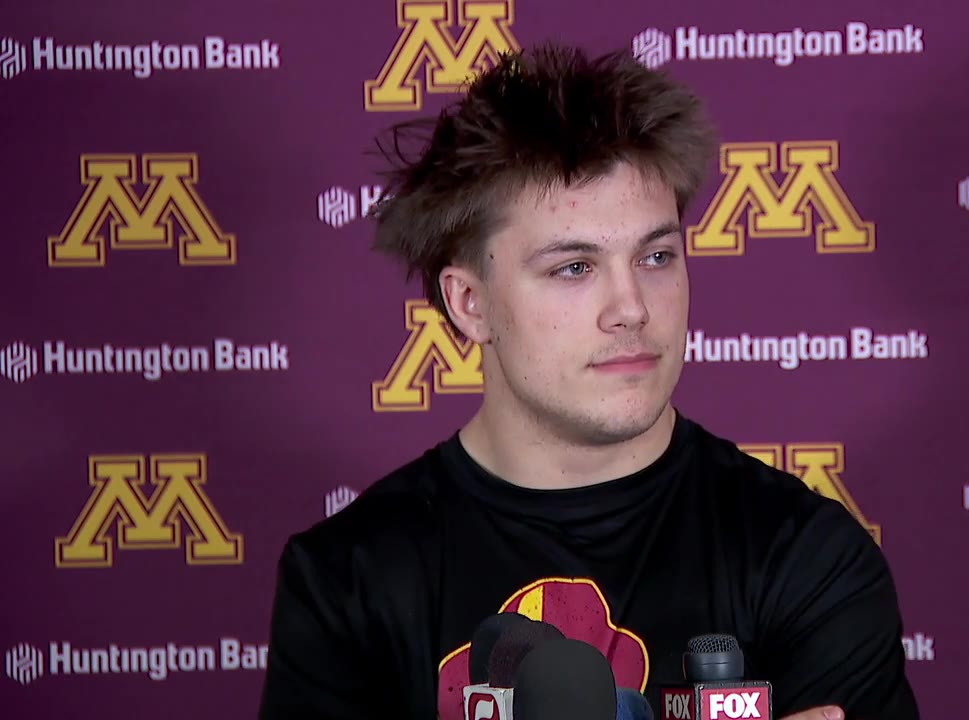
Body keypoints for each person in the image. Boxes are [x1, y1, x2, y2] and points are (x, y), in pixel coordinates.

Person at [258, 41, 919, 720]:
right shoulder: (346, 581)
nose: (631, 307)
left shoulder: (809, 558)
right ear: (470, 304)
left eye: (657, 255)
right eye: (574, 267)